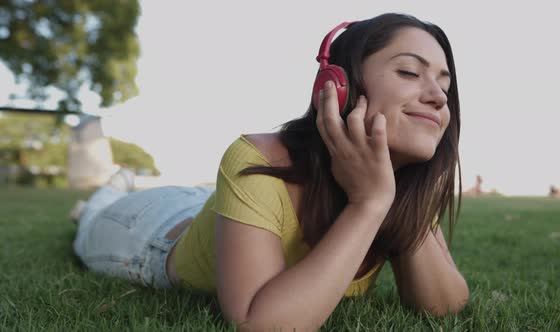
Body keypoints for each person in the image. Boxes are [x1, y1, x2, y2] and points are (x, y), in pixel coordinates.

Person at [71, 13, 469, 330]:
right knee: (93, 214)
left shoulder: (398, 180)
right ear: (338, 86)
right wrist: (368, 204)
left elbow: (443, 306)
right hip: (148, 234)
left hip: (217, 212)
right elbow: (261, 324)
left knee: (202, 199)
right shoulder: (257, 159)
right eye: (409, 73)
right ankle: (111, 189)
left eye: (444, 83)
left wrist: (390, 191)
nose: (437, 96)